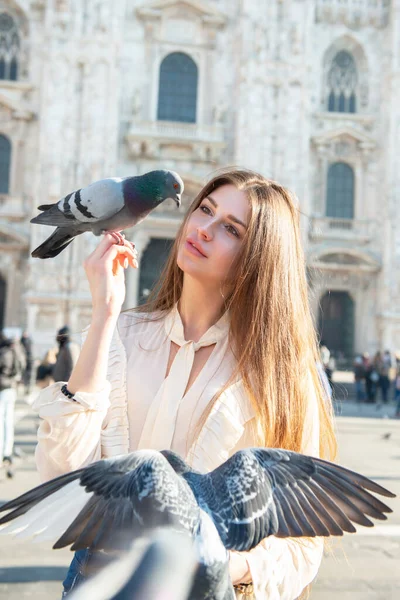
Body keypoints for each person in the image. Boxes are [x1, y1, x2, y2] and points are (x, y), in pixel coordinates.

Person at [33, 169, 337, 600]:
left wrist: (225, 564)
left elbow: (303, 546)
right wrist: (104, 313)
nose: (203, 230)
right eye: (205, 210)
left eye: (230, 229)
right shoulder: (123, 334)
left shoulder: (281, 376)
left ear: (259, 258)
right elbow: (61, 478)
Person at [0, 332, 23, 479]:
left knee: (1, 422)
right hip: (12, 388)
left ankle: (2, 453)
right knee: (8, 422)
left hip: (3, 388)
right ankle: (7, 452)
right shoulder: (19, 352)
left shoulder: (4, 353)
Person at [20, 330, 33, 395]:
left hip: (28, 360)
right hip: (25, 359)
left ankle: (27, 388)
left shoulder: (28, 340)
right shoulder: (22, 341)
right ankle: (26, 387)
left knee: (28, 375)